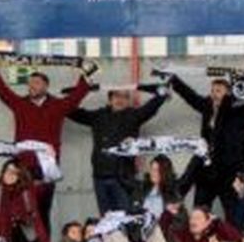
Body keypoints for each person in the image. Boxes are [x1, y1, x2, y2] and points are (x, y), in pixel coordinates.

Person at [0, 60, 92, 225]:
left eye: (36, 83)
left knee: (42, 210)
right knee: (19, 210)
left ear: (46, 86)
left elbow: (76, 96)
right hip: (22, 166)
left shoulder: (58, 106)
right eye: (30, 83)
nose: (32, 86)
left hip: (47, 168)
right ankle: (22, 241)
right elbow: (1, 90)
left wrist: (86, 73)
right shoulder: (20, 104)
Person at [68, 84, 169, 214]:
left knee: (126, 217)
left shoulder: (134, 115)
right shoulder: (98, 116)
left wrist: (141, 87)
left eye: (125, 97)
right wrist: (77, 92)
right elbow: (69, 110)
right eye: (117, 96)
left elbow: (156, 100)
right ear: (110, 99)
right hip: (100, 177)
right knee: (106, 219)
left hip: (124, 179)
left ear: (128, 101)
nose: (120, 100)